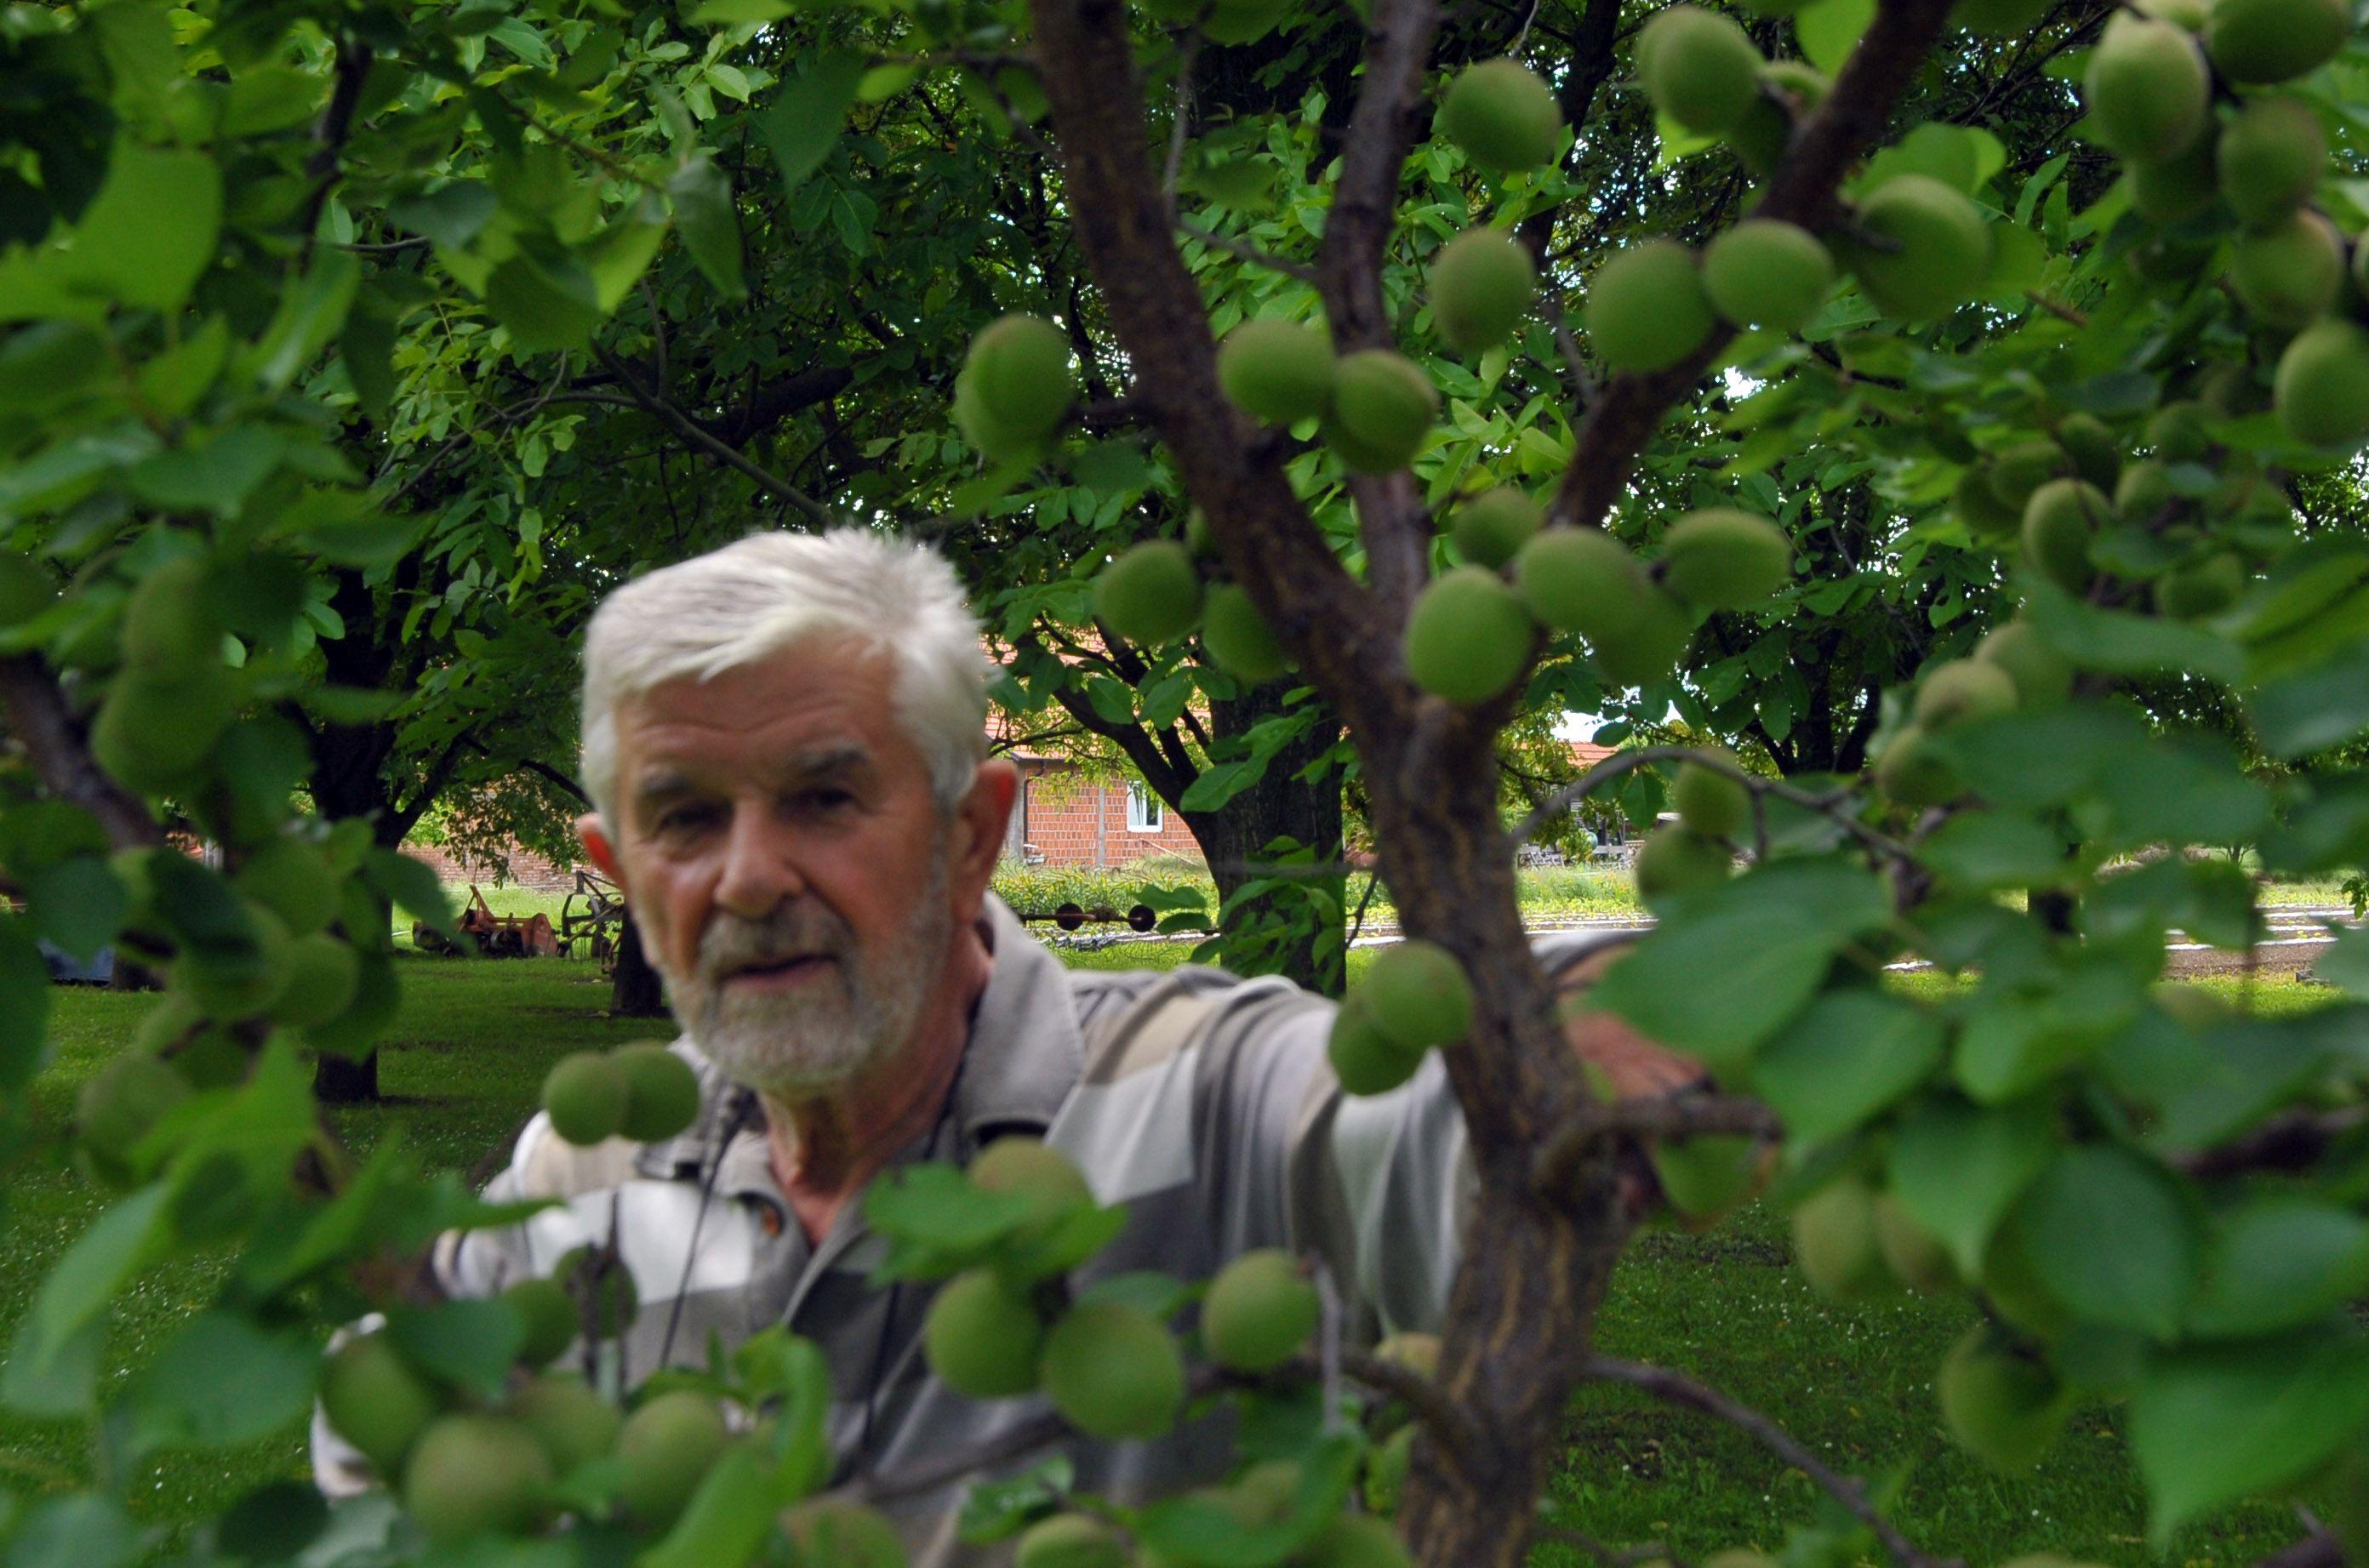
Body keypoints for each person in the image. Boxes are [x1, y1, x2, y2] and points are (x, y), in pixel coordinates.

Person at [313, 529, 1693, 1559]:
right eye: (683, 818)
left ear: (972, 837)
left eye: (823, 796)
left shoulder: (1194, 1089)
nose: (745, 877)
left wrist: (1623, 1016)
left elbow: (1423, 1116)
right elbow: (385, 1436)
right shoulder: (594, 1160)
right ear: (618, 872)